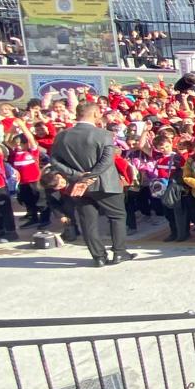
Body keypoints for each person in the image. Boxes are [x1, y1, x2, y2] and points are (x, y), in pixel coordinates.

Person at [48, 101, 135, 266]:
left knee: (88, 221)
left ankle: (98, 257)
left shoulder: (62, 135)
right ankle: (119, 252)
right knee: (117, 217)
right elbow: (107, 161)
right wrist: (91, 176)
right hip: (105, 184)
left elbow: (55, 161)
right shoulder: (103, 134)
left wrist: (78, 176)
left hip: (78, 185)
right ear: (95, 114)